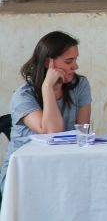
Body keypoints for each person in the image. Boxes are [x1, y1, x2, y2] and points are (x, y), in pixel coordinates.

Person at [1, 32, 92, 195]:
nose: (75, 66)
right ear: (47, 62)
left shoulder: (80, 85)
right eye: (69, 61)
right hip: (24, 174)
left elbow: (82, 133)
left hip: (63, 167)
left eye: (75, 59)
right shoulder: (23, 96)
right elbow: (52, 133)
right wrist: (47, 87)